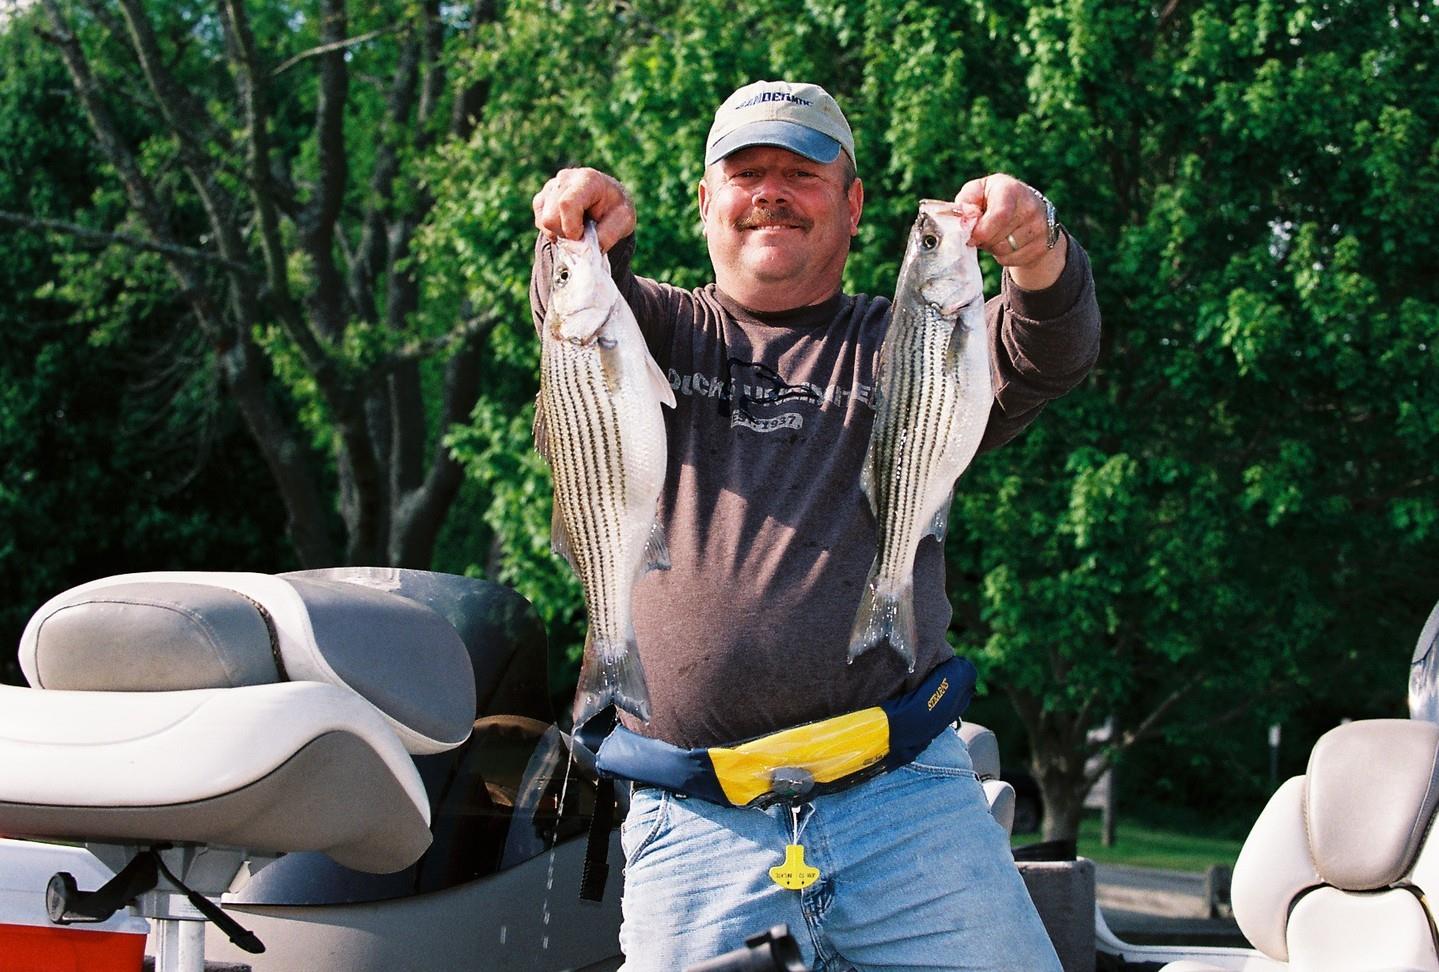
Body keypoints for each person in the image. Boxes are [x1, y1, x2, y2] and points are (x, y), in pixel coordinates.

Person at [531, 79, 1100, 972]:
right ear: (706, 201)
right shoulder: (659, 328)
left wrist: (1036, 248)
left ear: (852, 203)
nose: (772, 193)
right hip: (697, 819)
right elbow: (568, 305)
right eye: (746, 173)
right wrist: (577, 229)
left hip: (908, 802)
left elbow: (1049, 348)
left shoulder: (905, 338)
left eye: (801, 173)